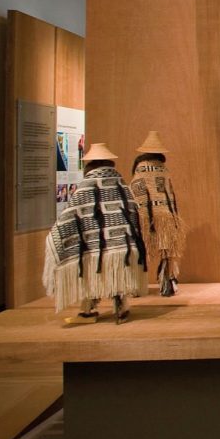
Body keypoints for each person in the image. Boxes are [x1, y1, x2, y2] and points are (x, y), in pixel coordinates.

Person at [42, 142, 147, 325]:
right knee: (116, 274)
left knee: (91, 273)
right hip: (121, 243)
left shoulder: (87, 184)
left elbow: (73, 212)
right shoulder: (120, 182)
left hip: (94, 244)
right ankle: (121, 308)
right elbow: (132, 209)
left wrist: (57, 234)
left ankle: (88, 310)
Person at [129, 131, 186, 297]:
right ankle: (167, 282)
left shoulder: (141, 168)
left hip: (145, 217)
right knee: (167, 251)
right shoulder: (163, 169)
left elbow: (135, 190)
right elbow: (170, 194)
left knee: (141, 249)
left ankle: (137, 285)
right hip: (166, 216)